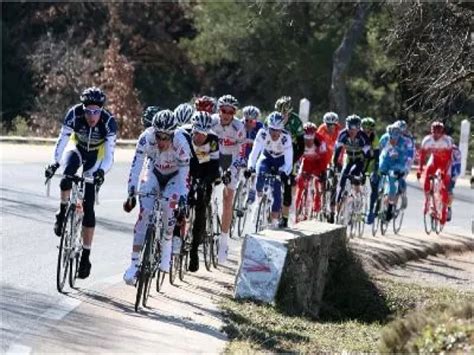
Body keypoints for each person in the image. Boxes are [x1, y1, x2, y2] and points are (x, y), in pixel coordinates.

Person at [44, 87, 117, 279]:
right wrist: (54, 163)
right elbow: (61, 142)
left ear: (101, 110)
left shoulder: (108, 122)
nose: (92, 116)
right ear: (82, 108)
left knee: (89, 207)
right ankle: (62, 211)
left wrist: (101, 172)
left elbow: (110, 156)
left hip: (96, 156)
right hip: (76, 148)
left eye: (96, 111)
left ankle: (85, 255)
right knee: (66, 175)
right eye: (88, 111)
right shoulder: (74, 114)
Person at [122, 110, 190, 285]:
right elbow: (136, 166)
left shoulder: (182, 142)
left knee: (169, 208)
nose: (161, 141)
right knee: (144, 215)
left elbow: (185, 177)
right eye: (159, 136)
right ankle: (133, 264)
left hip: (174, 177)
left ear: (173, 134)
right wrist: (131, 190)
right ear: (154, 131)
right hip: (154, 172)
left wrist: (183, 197)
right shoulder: (146, 138)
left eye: (166, 137)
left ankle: (166, 246)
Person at [183, 111, 221, 272]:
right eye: (197, 132)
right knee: (182, 201)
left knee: (201, 206)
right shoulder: (183, 135)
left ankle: (194, 252)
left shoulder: (212, 141)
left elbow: (214, 167)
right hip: (187, 169)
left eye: (204, 133)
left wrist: (205, 183)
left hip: (206, 172)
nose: (200, 137)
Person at [211, 94, 245, 264]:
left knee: (227, 197)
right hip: (214, 157)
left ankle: (224, 242)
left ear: (234, 113)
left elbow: (240, 154)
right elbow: (203, 148)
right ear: (219, 110)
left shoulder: (239, 127)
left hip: (231, 160)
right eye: (224, 110)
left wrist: (231, 171)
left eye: (230, 112)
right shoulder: (211, 123)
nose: (226, 114)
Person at [245, 112, 293, 226]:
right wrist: (250, 167)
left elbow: (289, 161)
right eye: (272, 129)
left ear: (282, 129)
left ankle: (274, 222)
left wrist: (284, 173)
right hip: (266, 157)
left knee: (277, 192)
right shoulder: (262, 133)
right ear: (268, 127)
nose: (275, 133)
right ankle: (258, 201)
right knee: (260, 175)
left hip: (280, 161)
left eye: (278, 130)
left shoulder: (286, 138)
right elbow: (254, 153)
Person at [270, 96, 304, 228]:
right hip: (275, 149)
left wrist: (291, 162)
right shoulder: (272, 118)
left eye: (284, 113)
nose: (281, 116)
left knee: (288, 182)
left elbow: (301, 147)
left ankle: (284, 217)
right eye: (279, 113)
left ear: (289, 112)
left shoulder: (296, 121)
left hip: (292, 152)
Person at [417, 121, 453, 225]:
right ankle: (427, 201)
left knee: (444, 187)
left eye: (439, 133)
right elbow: (422, 156)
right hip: (435, 161)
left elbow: (450, 159)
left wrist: (445, 172)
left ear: (442, 132)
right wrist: (420, 169)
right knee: (426, 178)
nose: (436, 135)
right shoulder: (427, 140)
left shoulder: (447, 141)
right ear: (431, 132)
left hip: (445, 163)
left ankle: (443, 211)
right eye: (434, 132)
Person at [333, 115, 371, 214]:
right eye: (350, 127)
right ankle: (338, 210)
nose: (352, 131)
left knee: (354, 175)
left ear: (359, 128)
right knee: (342, 181)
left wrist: (364, 170)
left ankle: (358, 197)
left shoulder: (362, 136)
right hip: (349, 159)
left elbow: (367, 153)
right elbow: (337, 150)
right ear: (347, 126)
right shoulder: (343, 134)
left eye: (356, 128)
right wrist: (335, 164)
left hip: (359, 160)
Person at [294, 122, 330, 221]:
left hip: (318, 163)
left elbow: (324, 158)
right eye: (306, 139)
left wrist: (323, 172)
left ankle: (316, 207)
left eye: (311, 138)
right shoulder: (300, 140)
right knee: (300, 184)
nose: (308, 141)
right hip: (306, 161)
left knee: (317, 183)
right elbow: (295, 156)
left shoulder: (320, 141)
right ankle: (297, 210)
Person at [378, 125, 407, 221]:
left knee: (392, 187)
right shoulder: (384, 139)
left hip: (396, 164)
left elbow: (403, 160)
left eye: (396, 138)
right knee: (379, 175)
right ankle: (378, 199)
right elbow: (380, 153)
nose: (393, 141)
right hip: (385, 160)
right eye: (391, 138)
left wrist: (400, 170)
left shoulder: (402, 143)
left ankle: (390, 207)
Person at [317, 111, 342, 223]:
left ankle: (332, 211)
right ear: (325, 123)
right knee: (321, 179)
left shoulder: (339, 131)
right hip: (323, 156)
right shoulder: (321, 129)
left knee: (334, 184)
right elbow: (315, 142)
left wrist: (338, 162)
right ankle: (320, 205)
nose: (331, 127)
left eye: (333, 125)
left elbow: (341, 149)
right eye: (328, 125)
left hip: (335, 157)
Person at [240, 105, 263, 204]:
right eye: (246, 121)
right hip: (243, 151)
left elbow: (263, 145)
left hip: (255, 152)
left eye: (252, 121)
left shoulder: (260, 128)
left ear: (256, 121)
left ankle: (253, 189)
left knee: (254, 167)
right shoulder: (240, 125)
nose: (248, 124)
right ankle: (239, 186)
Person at [360, 117, 380, 225]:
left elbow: (377, 157)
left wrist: (375, 171)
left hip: (372, 163)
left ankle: (371, 211)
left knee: (374, 185)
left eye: (369, 131)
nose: (367, 133)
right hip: (362, 161)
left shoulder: (374, 138)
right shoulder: (358, 136)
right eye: (364, 130)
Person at [394, 119, 415, 208]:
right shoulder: (392, 135)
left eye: (402, 130)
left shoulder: (408, 139)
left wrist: (407, 166)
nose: (400, 133)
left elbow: (410, 154)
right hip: (396, 158)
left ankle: (403, 194)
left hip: (406, 159)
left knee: (401, 177)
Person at [447, 144, 462, 222]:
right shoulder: (437, 145)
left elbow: (458, 165)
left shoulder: (455, 150)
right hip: (440, 170)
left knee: (449, 190)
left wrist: (454, 177)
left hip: (451, 172)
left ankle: (448, 207)